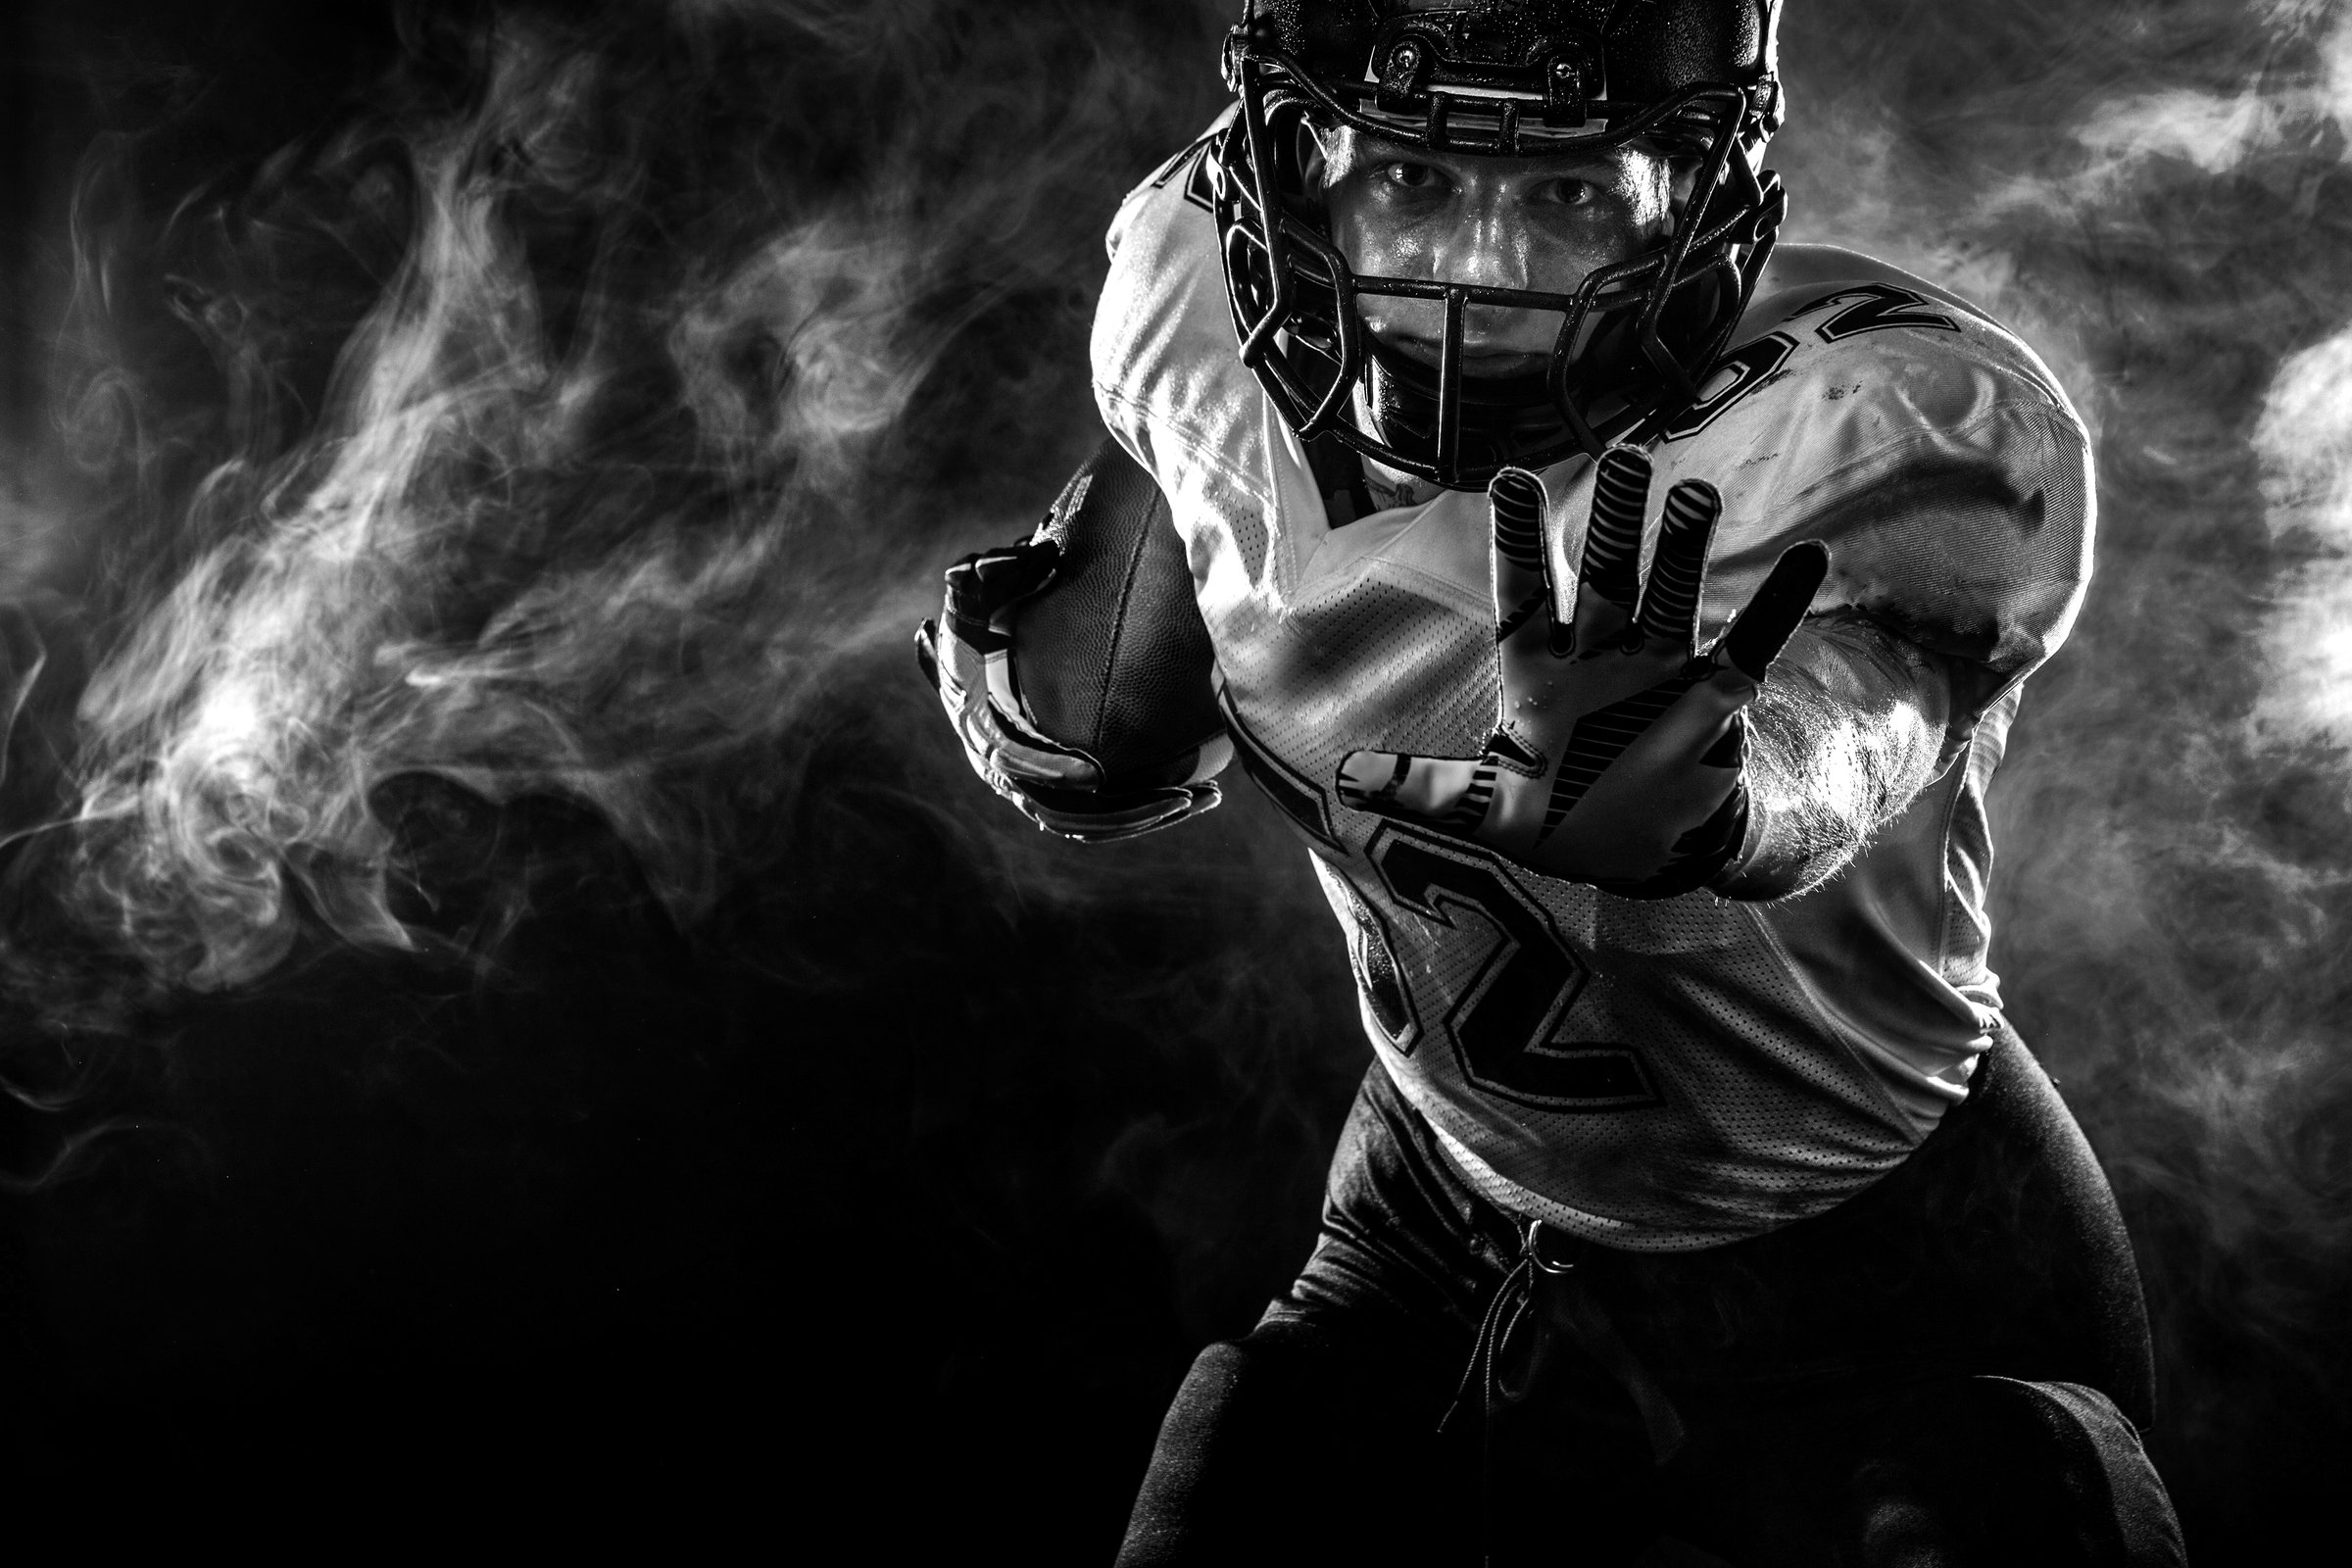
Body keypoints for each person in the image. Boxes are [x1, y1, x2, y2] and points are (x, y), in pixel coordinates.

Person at [920, 3, 2187, 1562]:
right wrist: (1096, 672)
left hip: (1867, 1253)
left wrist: (1730, 796)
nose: (1482, 275)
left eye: (1574, 195)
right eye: (1411, 180)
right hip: (1429, 1208)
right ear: (1291, 171)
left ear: (1706, 184)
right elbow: (1176, 488)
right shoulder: (1198, 278)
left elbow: (1871, 713)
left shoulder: (1873, 421)